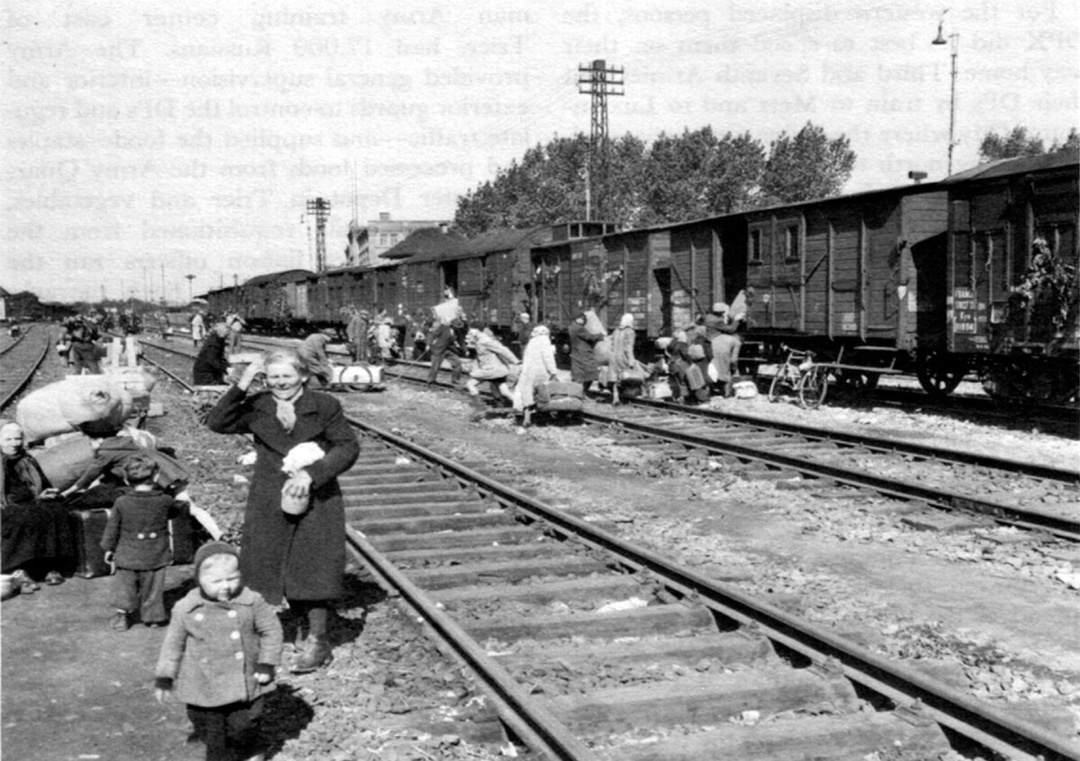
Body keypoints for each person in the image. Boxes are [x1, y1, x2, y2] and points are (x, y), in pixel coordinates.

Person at [205, 349, 359, 673]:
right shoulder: (259, 404)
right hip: (270, 494)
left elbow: (347, 446)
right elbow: (217, 422)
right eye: (273, 377)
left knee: (312, 564)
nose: (280, 383)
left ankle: (318, 640)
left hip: (316, 496)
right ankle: (277, 626)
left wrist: (312, 475)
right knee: (266, 560)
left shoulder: (325, 406)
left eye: (287, 376)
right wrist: (244, 381)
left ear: (302, 375)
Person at [155, 541, 283, 761]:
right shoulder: (187, 608)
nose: (225, 586)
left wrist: (266, 663)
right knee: (209, 730)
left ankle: (251, 748)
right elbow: (173, 644)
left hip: (245, 678)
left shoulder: (251, 602)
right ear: (199, 580)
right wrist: (165, 677)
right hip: (203, 683)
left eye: (232, 579)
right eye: (216, 581)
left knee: (243, 725)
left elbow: (272, 630)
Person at [101, 455, 182, 631]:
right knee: (153, 588)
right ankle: (153, 618)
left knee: (125, 587)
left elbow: (113, 526)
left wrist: (108, 548)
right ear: (155, 477)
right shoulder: (165, 500)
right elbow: (175, 512)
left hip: (127, 552)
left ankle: (122, 616)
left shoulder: (122, 502)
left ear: (125, 479)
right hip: (156, 552)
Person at [0, 420, 71, 592]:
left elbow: (42, 482)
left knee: (56, 510)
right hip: (6, 504)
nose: (14, 444)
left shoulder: (26, 459)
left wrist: (46, 493)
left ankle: (49, 565)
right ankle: (19, 569)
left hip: (30, 500)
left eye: (17, 439)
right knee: (23, 516)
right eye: (8, 439)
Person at [464, 328, 519, 417]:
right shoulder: (479, 340)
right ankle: (520, 406)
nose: (469, 341)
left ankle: (479, 408)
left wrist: (515, 361)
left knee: (470, 384)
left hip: (493, 370)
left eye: (470, 338)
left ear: (474, 336)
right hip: (495, 370)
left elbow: (502, 350)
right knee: (504, 391)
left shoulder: (485, 341)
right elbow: (480, 358)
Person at [513, 325, 559, 427]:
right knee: (542, 393)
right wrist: (553, 372)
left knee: (528, 393)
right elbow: (548, 358)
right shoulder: (545, 341)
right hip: (540, 371)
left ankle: (527, 417)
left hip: (528, 371)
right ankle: (542, 417)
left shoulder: (531, 342)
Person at [708, 303, 744, 398]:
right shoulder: (718, 321)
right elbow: (731, 329)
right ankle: (726, 392)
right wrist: (736, 319)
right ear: (722, 313)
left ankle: (714, 388)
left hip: (709, 342)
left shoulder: (708, 317)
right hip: (716, 341)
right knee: (724, 367)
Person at [567, 312, 604, 395]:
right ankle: (583, 392)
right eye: (581, 318)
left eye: (584, 318)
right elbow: (590, 337)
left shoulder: (571, 327)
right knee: (592, 372)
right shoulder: (579, 328)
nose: (583, 320)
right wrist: (600, 335)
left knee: (579, 375)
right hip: (584, 354)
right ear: (576, 319)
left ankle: (578, 393)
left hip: (576, 353)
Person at [609, 313, 641, 405]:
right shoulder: (630, 331)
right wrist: (631, 361)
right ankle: (626, 395)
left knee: (614, 377)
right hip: (622, 357)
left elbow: (611, 343)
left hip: (613, 356)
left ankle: (615, 397)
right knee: (626, 375)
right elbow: (629, 348)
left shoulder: (616, 330)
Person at [425, 319, 463, 386]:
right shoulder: (444, 328)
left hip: (448, 349)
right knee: (435, 367)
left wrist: (466, 350)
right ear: (452, 325)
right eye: (456, 327)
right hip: (438, 349)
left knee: (457, 363)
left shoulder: (457, 332)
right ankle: (430, 381)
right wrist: (428, 344)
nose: (458, 328)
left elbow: (461, 341)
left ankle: (455, 380)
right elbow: (432, 335)